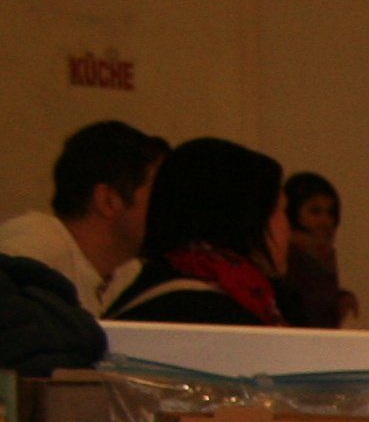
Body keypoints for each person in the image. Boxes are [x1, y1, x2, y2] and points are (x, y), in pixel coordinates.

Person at [105, 137, 289, 325]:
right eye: (280, 209)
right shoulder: (213, 315)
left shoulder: (154, 284)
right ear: (245, 217)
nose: (287, 226)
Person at [1, 120, 164, 315]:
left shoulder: (127, 272)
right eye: (157, 193)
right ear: (108, 200)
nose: (168, 208)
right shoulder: (29, 253)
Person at [277, 171, 358, 328]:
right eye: (315, 211)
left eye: (330, 212)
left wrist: (340, 298)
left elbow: (319, 295)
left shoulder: (324, 252)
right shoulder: (287, 251)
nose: (325, 220)